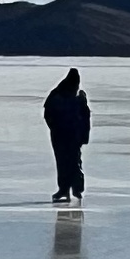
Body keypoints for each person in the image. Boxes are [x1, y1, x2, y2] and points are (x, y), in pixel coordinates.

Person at [43, 67, 90, 205]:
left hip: (71, 136)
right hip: (62, 135)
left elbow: (85, 118)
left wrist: (83, 136)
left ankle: (75, 188)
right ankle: (66, 189)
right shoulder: (58, 96)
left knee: (72, 162)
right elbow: (48, 114)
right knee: (66, 162)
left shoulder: (77, 99)